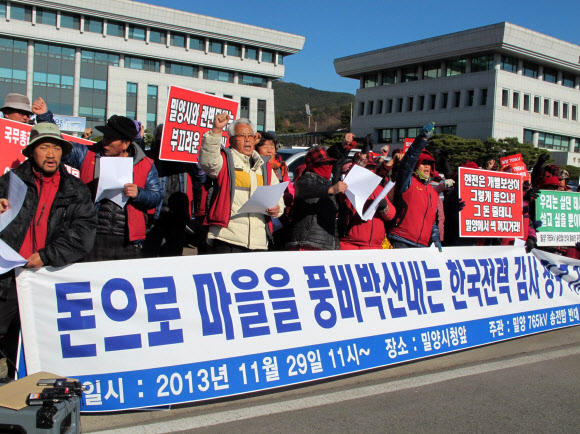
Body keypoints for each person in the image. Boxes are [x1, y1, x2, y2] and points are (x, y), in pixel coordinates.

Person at [0, 123, 97, 378]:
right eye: (44, 147)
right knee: (5, 337)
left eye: (56, 147)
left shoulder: (76, 190)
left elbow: (83, 235)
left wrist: (45, 256)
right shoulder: (10, 181)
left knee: (41, 341)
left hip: (49, 275)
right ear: (32, 151)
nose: (51, 154)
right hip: (8, 276)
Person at [63, 115, 163, 261]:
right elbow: (59, 147)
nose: (105, 142)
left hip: (128, 241)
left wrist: (139, 194)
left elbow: (156, 196)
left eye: (111, 139)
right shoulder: (87, 154)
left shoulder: (146, 163)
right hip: (91, 236)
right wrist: (44, 117)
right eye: (105, 137)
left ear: (125, 144)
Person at [198, 113, 284, 253]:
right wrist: (216, 130)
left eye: (250, 136)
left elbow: (277, 198)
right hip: (227, 238)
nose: (247, 140)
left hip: (259, 242)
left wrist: (277, 208)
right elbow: (208, 161)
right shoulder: (224, 160)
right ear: (231, 140)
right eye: (241, 136)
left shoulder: (265, 167)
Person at [144, 123, 206, 257]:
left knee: (173, 257)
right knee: (149, 257)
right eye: (163, 137)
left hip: (178, 217)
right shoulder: (150, 157)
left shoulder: (186, 158)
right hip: (154, 216)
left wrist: (199, 168)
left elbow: (199, 182)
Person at [388, 123, 442, 249]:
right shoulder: (408, 182)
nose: (427, 166)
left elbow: (431, 220)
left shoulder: (433, 192)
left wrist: (435, 237)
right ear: (416, 165)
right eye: (424, 163)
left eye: (430, 163)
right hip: (401, 240)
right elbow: (407, 163)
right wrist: (421, 140)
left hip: (422, 246)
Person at [286, 146, 346, 251]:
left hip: (327, 243)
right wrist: (330, 189)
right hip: (307, 243)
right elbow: (307, 189)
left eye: (329, 163)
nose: (328, 166)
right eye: (323, 163)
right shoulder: (305, 180)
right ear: (312, 166)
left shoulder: (327, 183)